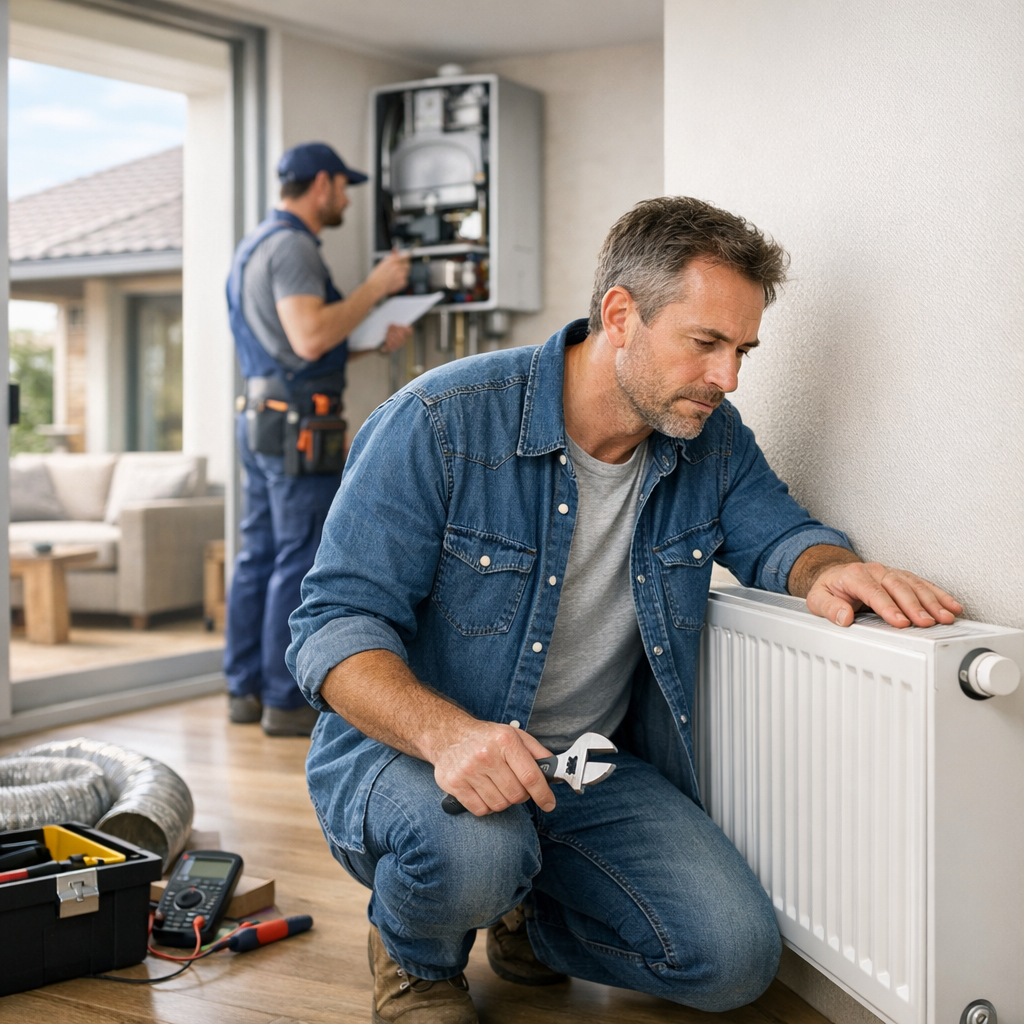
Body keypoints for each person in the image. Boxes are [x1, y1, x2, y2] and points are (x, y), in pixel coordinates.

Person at [287, 197, 962, 1019]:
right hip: (415, 753)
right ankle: (417, 956)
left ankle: (527, 916)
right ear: (619, 315)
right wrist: (449, 735)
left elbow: (782, 537)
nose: (729, 377)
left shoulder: (710, 440)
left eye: (743, 349)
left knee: (733, 960)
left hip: (584, 765)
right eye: (705, 343)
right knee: (472, 849)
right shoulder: (438, 421)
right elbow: (332, 627)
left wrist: (829, 570)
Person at [224, 141, 412, 737]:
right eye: (344, 188)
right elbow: (307, 338)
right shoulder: (296, 247)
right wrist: (375, 288)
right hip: (299, 424)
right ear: (323, 184)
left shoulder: (254, 246)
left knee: (258, 553)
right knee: (300, 556)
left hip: (262, 415)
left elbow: (292, 345)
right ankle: (286, 701)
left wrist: (361, 342)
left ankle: (243, 691)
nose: (346, 200)